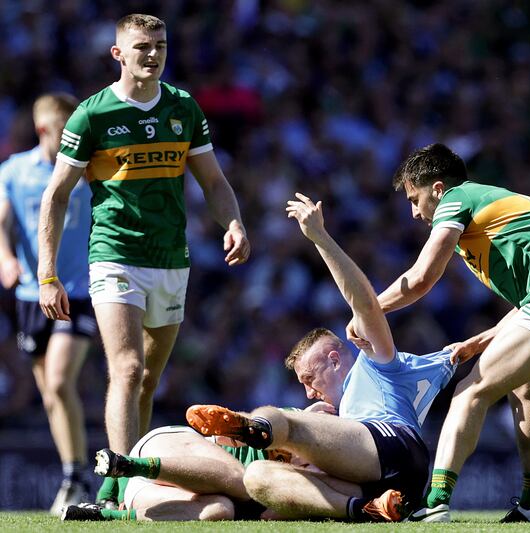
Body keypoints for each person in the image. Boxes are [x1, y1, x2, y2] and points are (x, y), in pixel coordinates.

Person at [347, 143, 530, 522]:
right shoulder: (492, 210)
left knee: (470, 391)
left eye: (415, 199)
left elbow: (419, 280)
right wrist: (483, 338)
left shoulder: (458, 199)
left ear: (438, 189)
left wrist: (368, 309)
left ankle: (435, 502)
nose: (415, 213)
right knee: (524, 387)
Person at [36, 14, 250, 506]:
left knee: (149, 380)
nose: (152, 54)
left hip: (171, 259)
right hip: (115, 256)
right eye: (141, 46)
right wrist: (48, 274)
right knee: (127, 369)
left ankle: (123, 478)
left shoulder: (184, 107)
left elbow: (213, 182)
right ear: (118, 54)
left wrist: (233, 222)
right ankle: (119, 487)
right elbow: (56, 196)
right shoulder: (92, 116)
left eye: (160, 44)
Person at [184, 192, 458, 521]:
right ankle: (366, 511)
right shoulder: (334, 419)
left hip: (394, 448)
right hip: (376, 488)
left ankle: (254, 428)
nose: (308, 391)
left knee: (280, 418)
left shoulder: (374, 362)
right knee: (259, 479)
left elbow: (366, 303)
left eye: (309, 379)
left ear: (333, 359)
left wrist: (319, 236)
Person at [0, 93, 98, 514]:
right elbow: (2, 222)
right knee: (50, 395)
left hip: (79, 291)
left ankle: (78, 476)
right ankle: (73, 474)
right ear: (44, 131)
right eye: (65, 132)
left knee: (59, 381)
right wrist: (5, 258)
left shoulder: (89, 170)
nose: (74, 139)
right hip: (30, 296)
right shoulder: (14, 171)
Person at [61, 405, 320, 522]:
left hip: (148, 491)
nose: (309, 391)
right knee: (243, 481)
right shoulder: (296, 420)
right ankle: (123, 467)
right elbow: (228, 432)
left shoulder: (322, 484)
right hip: (173, 445)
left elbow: (269, 515)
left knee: (219, 510)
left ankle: (103, 515)